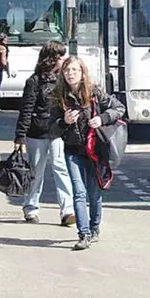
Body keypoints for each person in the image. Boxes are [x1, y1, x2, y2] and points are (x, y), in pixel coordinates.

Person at [52, 56, 125, 250]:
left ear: (82, 72)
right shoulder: (58, 95)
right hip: (72, 150)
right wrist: (64, 121)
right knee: (79, 192)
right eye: (67, 70)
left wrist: (102, 118)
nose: (70, 74)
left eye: (75, 70)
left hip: (95, 151)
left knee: (94, 193)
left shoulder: (94, 92)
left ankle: (94, 229)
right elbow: (51, 127)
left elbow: (119, 108)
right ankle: (83, 234)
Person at [14, 41, 75, 226]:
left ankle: (67, 210)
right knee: (35, 172)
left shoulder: (63, 80)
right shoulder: (34, 82)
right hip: (37, 133)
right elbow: (26, 110)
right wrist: (20, 136)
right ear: (52, 59)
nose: (64, 60)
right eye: (61, 56)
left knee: (61, 169)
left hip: (57, 132)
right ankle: (31, 208)